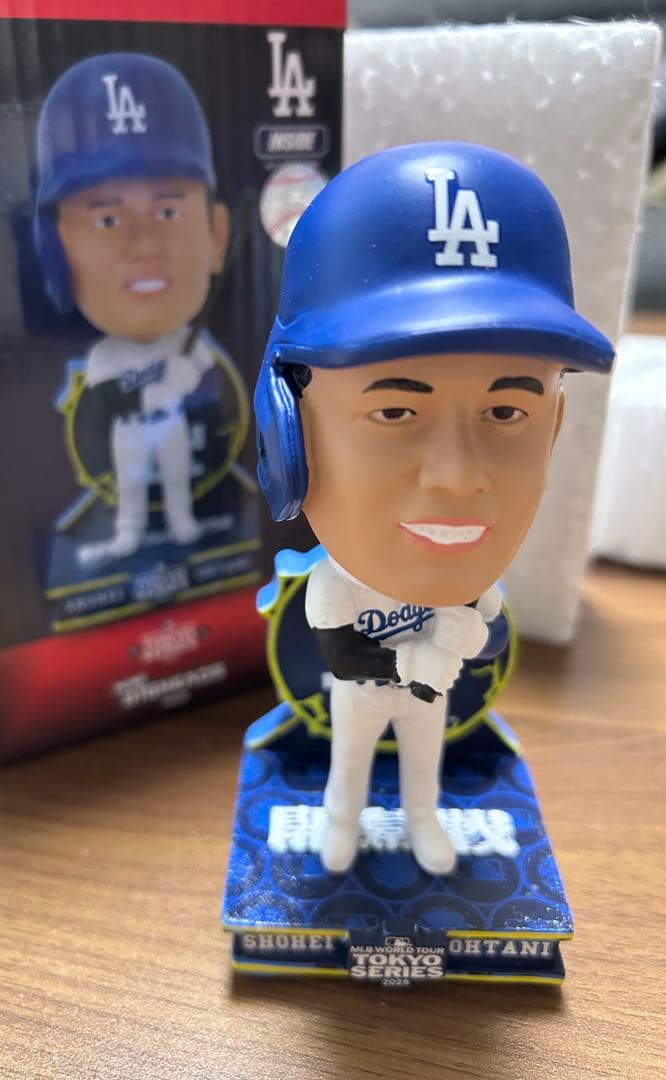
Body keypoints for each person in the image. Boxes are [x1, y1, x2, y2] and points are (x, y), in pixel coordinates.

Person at [254, 142, 614, 876]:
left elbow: (490, 633)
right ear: (288, 435)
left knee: (425, 766)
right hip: (365, 693)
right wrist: (412, 657)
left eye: (506, 412)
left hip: (431, 690)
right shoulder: (337, 584)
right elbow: (340, 654)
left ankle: (423, 820)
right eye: (394, 412)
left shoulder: (468, 582)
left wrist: (467, 638)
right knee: (350, 761)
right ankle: (341, 821)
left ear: (554, 427)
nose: (455, 476)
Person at [34, 53, 229, 563]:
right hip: (131, 431)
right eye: (107, 219)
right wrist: (158, 386)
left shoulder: (187, 342)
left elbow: (209, 386)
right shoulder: (105, 355)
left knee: (179, 486)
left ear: (216, 235)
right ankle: (128, 534)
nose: (144, 244)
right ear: (57, 250)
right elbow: (113, 404)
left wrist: (190, 379)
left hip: (174, 425)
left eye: (167, 211)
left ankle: (184, 525)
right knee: (132, 488)